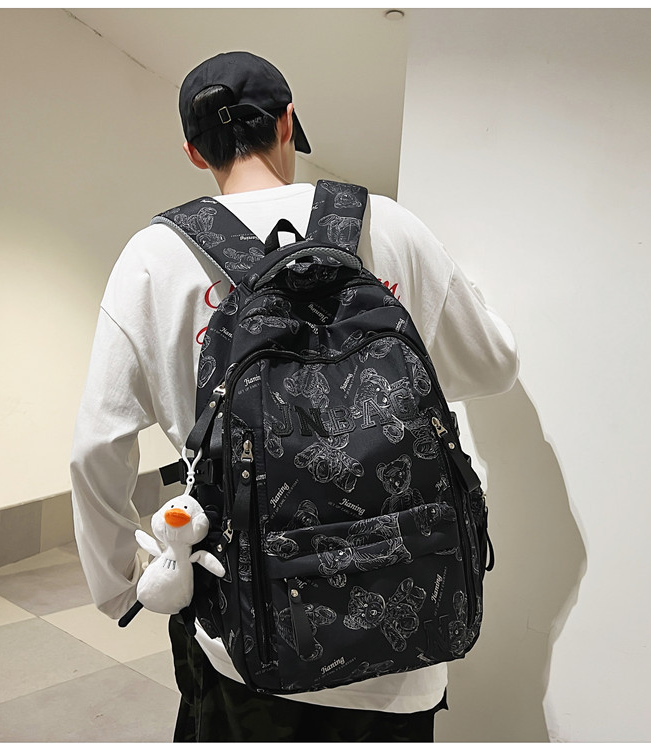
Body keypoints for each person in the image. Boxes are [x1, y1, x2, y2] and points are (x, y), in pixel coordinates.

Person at [70, 50, 519, 742]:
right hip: (409, 632)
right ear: (287, 123)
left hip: (247, 637)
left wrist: (125, 584)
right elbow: (493, 366)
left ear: (195, 152)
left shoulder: (152, 260)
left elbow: (96, 449)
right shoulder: (390, 225)